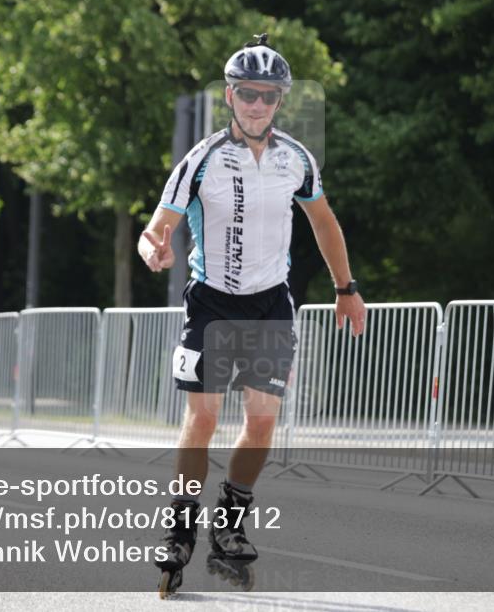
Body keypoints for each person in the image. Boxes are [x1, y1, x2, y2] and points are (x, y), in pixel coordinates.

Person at [140, 33, 366, 596]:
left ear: (281, 100)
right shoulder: (202, 159)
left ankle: (231, 521)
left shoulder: (297, 159)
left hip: (270, 304)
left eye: (268, 95)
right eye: (247, 93)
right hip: (212, 302)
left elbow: (324, 223)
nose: (257, 104)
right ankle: (179, 526)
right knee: (205, 418)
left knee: (263, 419)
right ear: (230, 95)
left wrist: (347, 288)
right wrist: (155, 251)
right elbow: (156, 229)